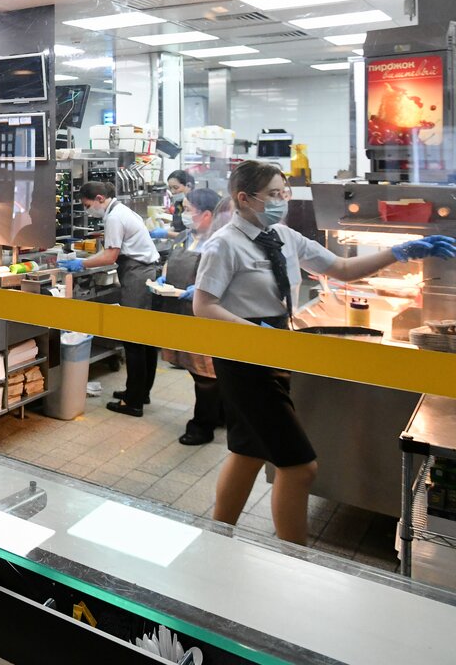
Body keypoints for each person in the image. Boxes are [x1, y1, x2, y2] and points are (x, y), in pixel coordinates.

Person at [194, 159, 456, 543]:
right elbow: (204, 306)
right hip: (244, 357)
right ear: (244, 198)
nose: (282, 200)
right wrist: (256, 334)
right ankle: (296, 556)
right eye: (273, 194)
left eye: (284, 192)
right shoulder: (224, 244)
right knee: (301, 467)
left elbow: (342, 269)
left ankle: (217, 537)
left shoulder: (284, 236)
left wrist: (401, 252)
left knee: (248, 450)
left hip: (275, 349)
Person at [65, 181, 161, 415]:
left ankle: (133, 402)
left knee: (134, 338)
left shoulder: (115, 217)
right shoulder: (121, 210)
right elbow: (111, 250)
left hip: (137, 275)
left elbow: (109, 256)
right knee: (145, 338)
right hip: (143, 272)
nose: (88, 210)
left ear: (99, 198)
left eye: (87, 205)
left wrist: (81, 263)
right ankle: (139, 392)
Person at [150, 188, 223, 446]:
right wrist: (163, 278)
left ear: (207, 214)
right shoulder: (185, 236)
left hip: (203, 316)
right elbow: (170, 262)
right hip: (178, 311)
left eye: (189, 210)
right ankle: (219, 414)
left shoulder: (219, 242)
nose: (184, 214)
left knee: (206, 373)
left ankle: (203, 426)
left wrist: (200, 290)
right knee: (194, 369)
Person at [150, 169, 195, 240]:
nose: (172, 191)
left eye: (176, 187)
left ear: (188, 186)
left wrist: (166, 234)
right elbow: (177, 226)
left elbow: (193, 236)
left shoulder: (196, 205)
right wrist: (167, 231)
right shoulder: (179, 204)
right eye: (170, 188)